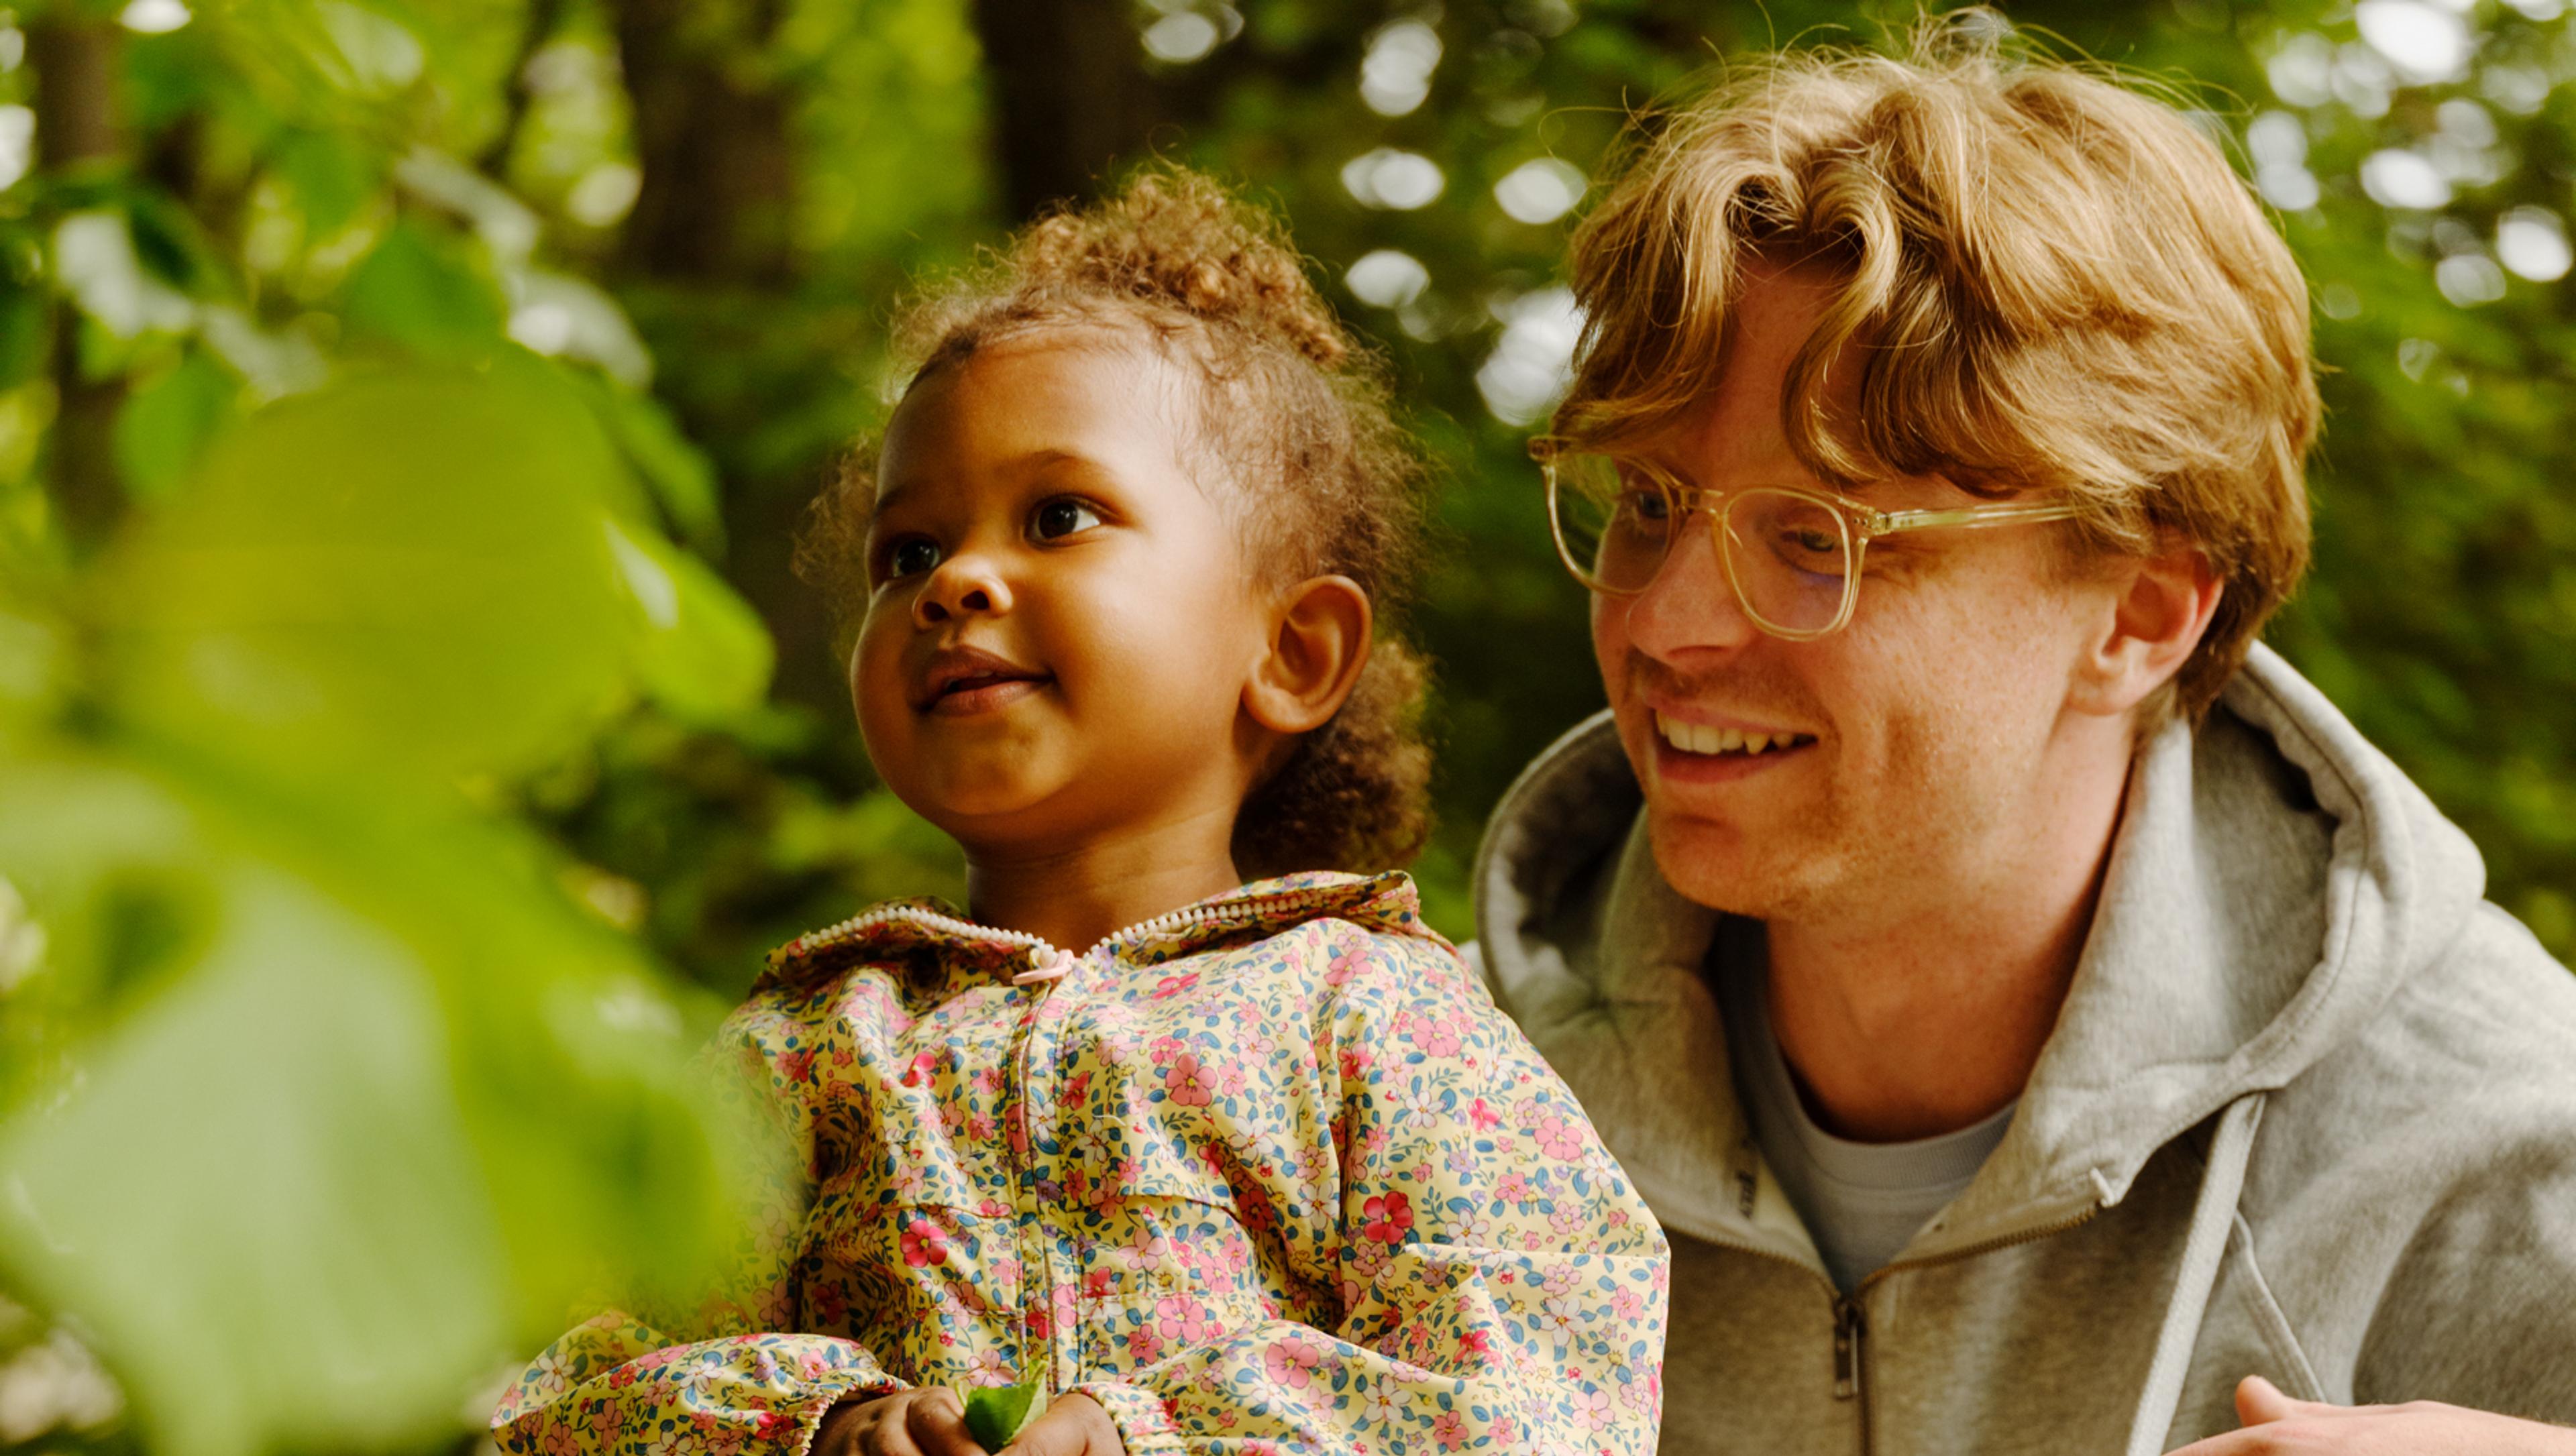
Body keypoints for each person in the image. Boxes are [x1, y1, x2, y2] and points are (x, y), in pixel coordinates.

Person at [1468, 19, 2576, 1456]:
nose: (1668, 623)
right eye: (1650, 505)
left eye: (1820, 536)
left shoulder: (2498, 1152)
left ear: (2143, 611)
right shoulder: (1455, 1109)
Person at [491, 169, 1668, 1456]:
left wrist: (1153, 1438)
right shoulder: (811, 1046)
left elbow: (1548, 1381)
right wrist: (812, 1429)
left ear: (1292, 652)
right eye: (909, 552)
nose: (958, 584)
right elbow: (567, 1393)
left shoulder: (1376, 1019)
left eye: (1060, 517)